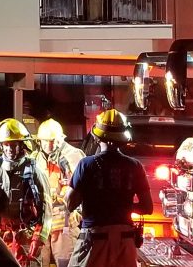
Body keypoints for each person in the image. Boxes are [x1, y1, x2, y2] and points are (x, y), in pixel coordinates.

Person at [66, 109, 152, 267]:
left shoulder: (86, 164)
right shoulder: (135, 166)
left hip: (94, 239)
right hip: (125, 241)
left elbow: (70, 204)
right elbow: (148, 207)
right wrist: (122, 206)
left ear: (97, 137)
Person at [0, 118, 50, 267]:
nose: (9, 149)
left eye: (13, 144)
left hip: (26, 238)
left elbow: (46, 208)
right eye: (6, 144)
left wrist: (39, 238)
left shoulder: (35, 172)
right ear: (1, 146)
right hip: (1, 238)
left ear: (21, 145)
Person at [35, 119, 86, 267]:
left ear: (60, 139)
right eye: (45, 141)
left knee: (66, 263)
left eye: (52, 141)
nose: (48, 145)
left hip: (65, 224)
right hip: (41, 224)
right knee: (38, 262)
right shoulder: (36, 158)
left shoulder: (74, 156)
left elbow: (81, 189)